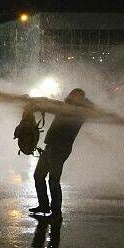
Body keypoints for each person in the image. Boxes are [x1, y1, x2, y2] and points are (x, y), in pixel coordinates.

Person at [30, 88, 93, 218]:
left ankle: (56, 212)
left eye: (75, 96)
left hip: (60, 148)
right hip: (51, 146)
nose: (71, 97)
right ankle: (44, 205)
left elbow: (53, 106)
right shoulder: (65, 107)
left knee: (53, 180)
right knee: (38, 175)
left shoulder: (78, 112)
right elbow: (52, 104)